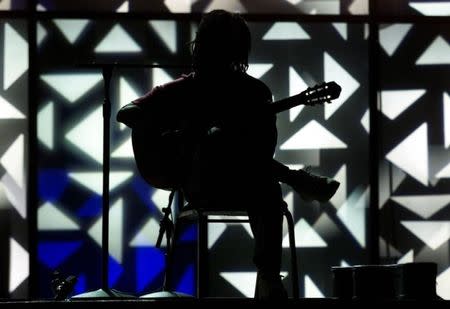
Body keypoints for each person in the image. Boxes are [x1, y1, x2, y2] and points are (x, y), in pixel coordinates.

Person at [117, 10, 339, 299]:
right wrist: (182, 133)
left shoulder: (255, 94)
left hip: (245, 183)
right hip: (200, 184)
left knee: (252, 172)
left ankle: (269, 278)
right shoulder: (181, 91)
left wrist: (224, 136)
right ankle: (296, 179)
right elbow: (127, 113)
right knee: (229, 159)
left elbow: (260, 151)